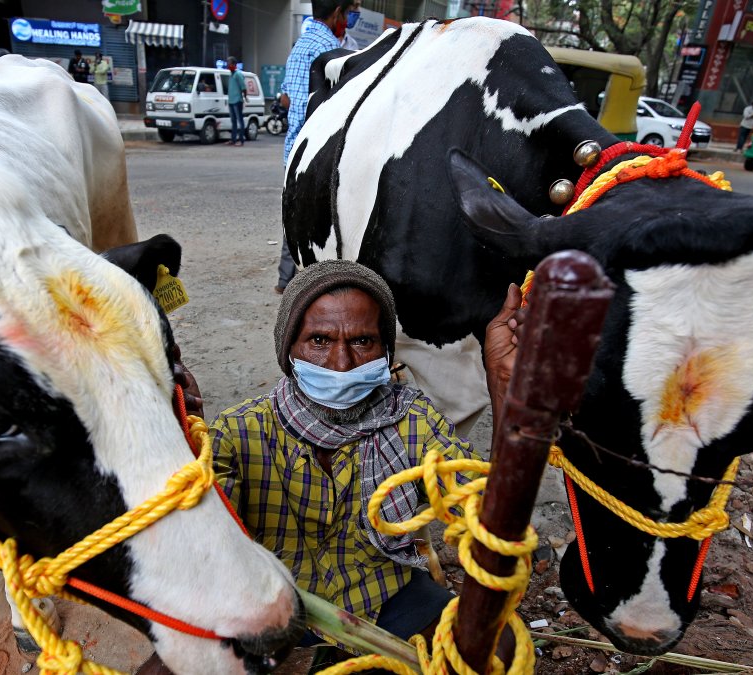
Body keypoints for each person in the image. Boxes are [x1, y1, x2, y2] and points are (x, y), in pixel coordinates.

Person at [205, 260, 523, 673]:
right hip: (272, 603)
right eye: (319, 340)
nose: (341, 363)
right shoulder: (239, 432)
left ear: (386, 352)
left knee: (499, 647)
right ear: (289, 349)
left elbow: (484, 510)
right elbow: (197, 537)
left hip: (385, 594)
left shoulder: (412, 419)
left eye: (362, 341)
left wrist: (503, 385)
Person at [274, 0, 360, 294]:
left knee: (293, 213)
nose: (347, 18)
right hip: (321, 151)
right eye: (347, 12)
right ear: (337, 13)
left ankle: (286, 279)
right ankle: (317, 283)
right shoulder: (333, 51)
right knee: (323, 219)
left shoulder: (298, 47)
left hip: (293, 150)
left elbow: (286, 99)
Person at [226, 56, 248, 147]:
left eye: (230, 63)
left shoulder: (238, 74)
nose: (228, 65)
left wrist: (245, 97)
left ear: (234, 64)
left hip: (237, 100)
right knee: (233, 121)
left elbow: (243, 87)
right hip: (231, 101)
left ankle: (241, 140)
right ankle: (233, 139)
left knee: (240, 120)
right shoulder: (231, 75)